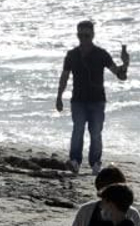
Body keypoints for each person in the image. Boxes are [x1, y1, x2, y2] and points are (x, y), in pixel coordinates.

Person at [55, 20, 130, 175]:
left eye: (86, 35)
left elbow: (120, 75)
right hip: (78, 100)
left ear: (92, 35)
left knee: (96, 132)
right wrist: (59, 96)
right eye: (80, 35)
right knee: (78, 130)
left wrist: (125, 64)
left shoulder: (101, 54)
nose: (83, 38)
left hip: (97, 100)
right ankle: (75, 161)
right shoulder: (72, 55)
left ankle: (95, 163)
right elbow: (64, 76)